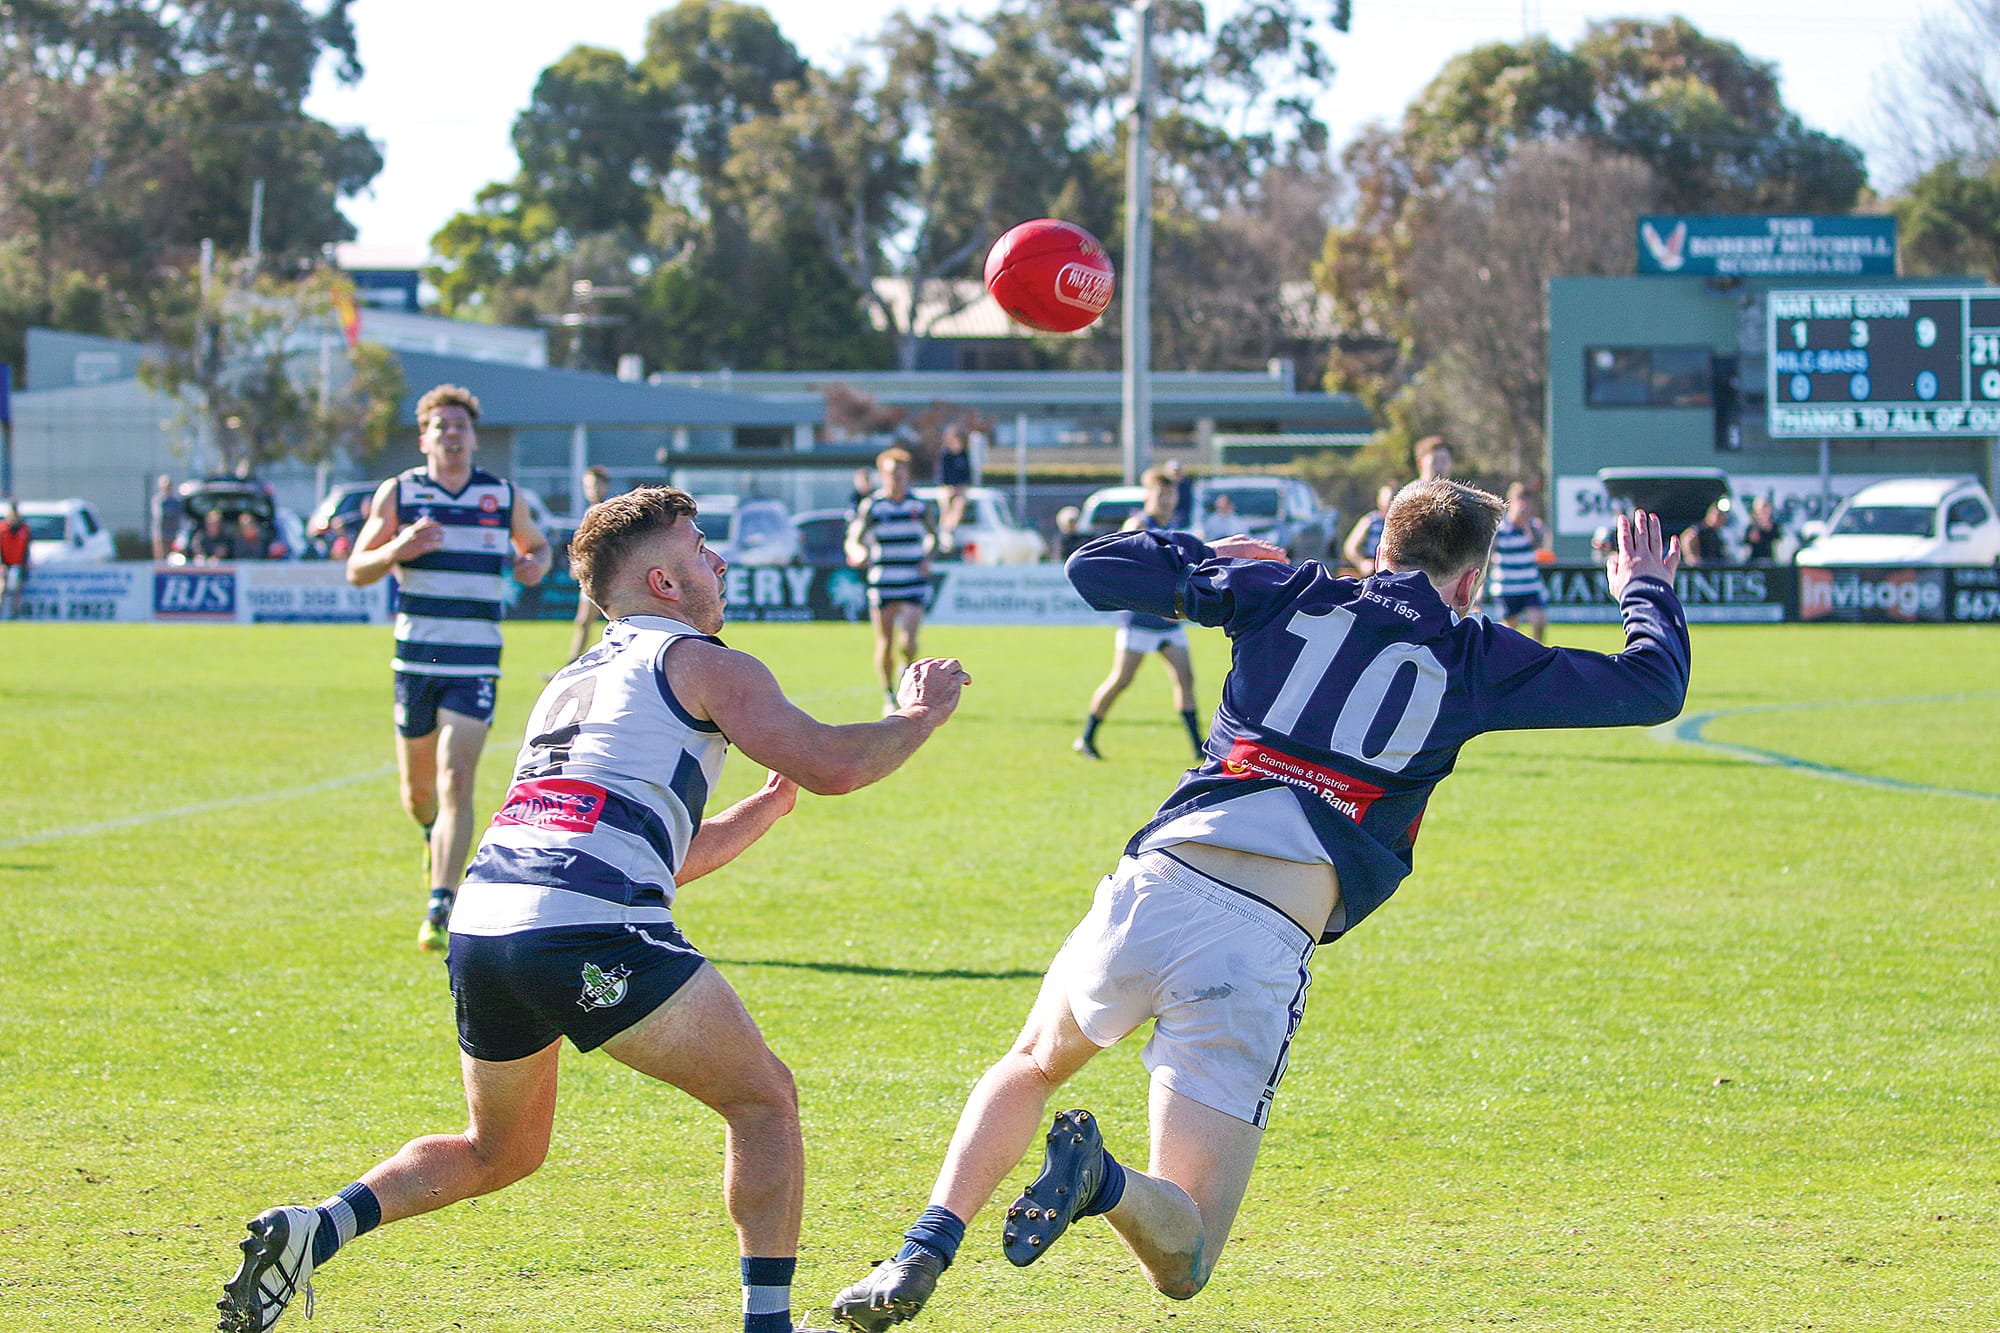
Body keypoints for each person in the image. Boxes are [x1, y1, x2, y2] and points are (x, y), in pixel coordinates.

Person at [829, 484, 1689, 1331]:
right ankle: (1105, 1183)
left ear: (1377, 550)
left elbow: (1095, 567)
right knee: (1186, 1259)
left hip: (1158, 884)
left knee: (1030, 1062)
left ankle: (923, 1247)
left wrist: (1213, 558)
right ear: (1470, 582)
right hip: (1259, 937)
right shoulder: (1473, 653)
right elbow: (1651, 687)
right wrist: (1643, 588)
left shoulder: (1289, 589)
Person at [218, 486, 972, 1333]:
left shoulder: (571, 681)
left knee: (498, 1148)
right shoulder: (703, 660)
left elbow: (648, 855)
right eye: (698, 549)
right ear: (662, 580)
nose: (716, 562)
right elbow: (837, 761)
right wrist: (920, 711)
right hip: (583, 927)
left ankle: (317, 1226)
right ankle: (768, 1325)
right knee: (763, 1101)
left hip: (485, 923)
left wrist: (763, 809)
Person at [346, 384, 552, 954]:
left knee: (455, 778)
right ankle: (431, 836)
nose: (451, 434)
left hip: (476, 659)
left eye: (460, 425)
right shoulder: (401, 494)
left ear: (473, 436)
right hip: (415, 659)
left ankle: (441, 903)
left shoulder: (501, 495)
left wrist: (533, 564)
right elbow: (356, 569)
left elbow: (536, 546)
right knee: (419, 796)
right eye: (441, 426)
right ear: (424, 437)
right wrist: (398, 549)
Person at [1073, 466, 1203, 763]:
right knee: (1121, 680)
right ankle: (1087, 737)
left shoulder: (1174, 527)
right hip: (1142, 621)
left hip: (1168, 621)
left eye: (1170, 494)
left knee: (1186, 678)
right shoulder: (1137, 523)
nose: (1166, 499)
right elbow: (1127, 572)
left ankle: (1198, 748)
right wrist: (1154, 603)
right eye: (1161, 493)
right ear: (1148, 496)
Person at [846, 447, 937, 715]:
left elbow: (934, 536)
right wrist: (859, 552)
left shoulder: (919, 505)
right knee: (885, 642)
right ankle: (888, 695)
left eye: (900, 473)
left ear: (908, 474)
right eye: (890, 474)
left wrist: (927, 554)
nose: (896, 478)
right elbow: (854, 538)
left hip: (912, 578)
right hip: (883, 579)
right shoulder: (873, 505)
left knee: (908, 642)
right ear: (883, 475)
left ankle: (904, 673)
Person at [1487, 482, 1549, 643]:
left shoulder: (1533, 526)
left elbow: (1540, 544)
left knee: (1539, 621)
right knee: (1510, 628)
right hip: (1507, 586)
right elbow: (1489, 554)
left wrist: (1526, 526)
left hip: (1530, 585)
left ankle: (1538, 654)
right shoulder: (1499, 529)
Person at [565, 466, 614, 664]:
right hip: (590, 575)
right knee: (584, 622)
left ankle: (576, 664)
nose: (591, 490)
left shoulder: (607, 511)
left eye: (595, 485)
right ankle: (574, 663)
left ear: (604, 486)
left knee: (594, 621)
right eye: (587, 486)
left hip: (601, 576)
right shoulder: (590, 510)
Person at [1340, 483, 1397, 576]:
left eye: (1390, 499)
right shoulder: (1370, 520)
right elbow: (1350, 547)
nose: (1386, 503)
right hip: (1373, 571)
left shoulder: (1401, 523)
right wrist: (1361, 563)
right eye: (1384, 499)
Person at [936, 424, 974, 548]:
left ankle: (949, 529)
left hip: (961, 489)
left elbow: (967, 475)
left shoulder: (964, 455)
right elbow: (941, 474)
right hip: (947, 489)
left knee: (959, 504)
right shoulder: (945, 455)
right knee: (945, 505)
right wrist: (948, 487)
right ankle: (944, 533)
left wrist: (960, 487)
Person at [0, 501, 29, 619]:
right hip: (4, 563)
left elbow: (27, 548)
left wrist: (24, 564)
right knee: (2, 588)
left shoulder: (24, 529)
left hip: (18, 563)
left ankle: (14, 615)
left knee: (17, 591)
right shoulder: (2, 528)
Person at [1681, 501, 1730, 566]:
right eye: (1719, 515)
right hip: (1698, 571)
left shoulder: (1719, 534)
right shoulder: (1699, 530)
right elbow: (1687, 538)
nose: (1722, 518)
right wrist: (1692, 557)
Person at [150, 475, 185, 560]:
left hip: (174, 535)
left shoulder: (176, 500)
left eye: (169, 486)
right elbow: (159, 515)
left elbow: (180, 515)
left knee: (175, 559)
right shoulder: (158, 500)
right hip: (161, 535)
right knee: (161, 559)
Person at [1742, 496, 1783, 563]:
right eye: (1762, 509)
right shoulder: (1751, 527)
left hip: (1770, 560)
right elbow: (1748, 542)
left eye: (1766, 508)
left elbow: (1778, 540)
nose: (1765, 511)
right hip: (1754, 561)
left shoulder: (1775, 526)